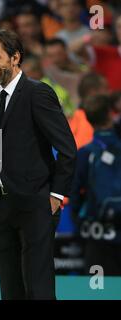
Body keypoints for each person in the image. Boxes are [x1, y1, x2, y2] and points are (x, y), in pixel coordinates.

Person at [0, 29, 77, 300]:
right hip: (0, 208)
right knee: (10, 291)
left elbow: (67, 149)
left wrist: (56, 196)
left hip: (36, 205)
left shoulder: (39, 93)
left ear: (15, 58)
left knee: (39, 290)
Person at [70, 94, 121, 275]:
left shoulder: (85, 154)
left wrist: (79, 224)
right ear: (110, 113)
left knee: (97, 290)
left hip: (97, 234)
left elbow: (73, 195)